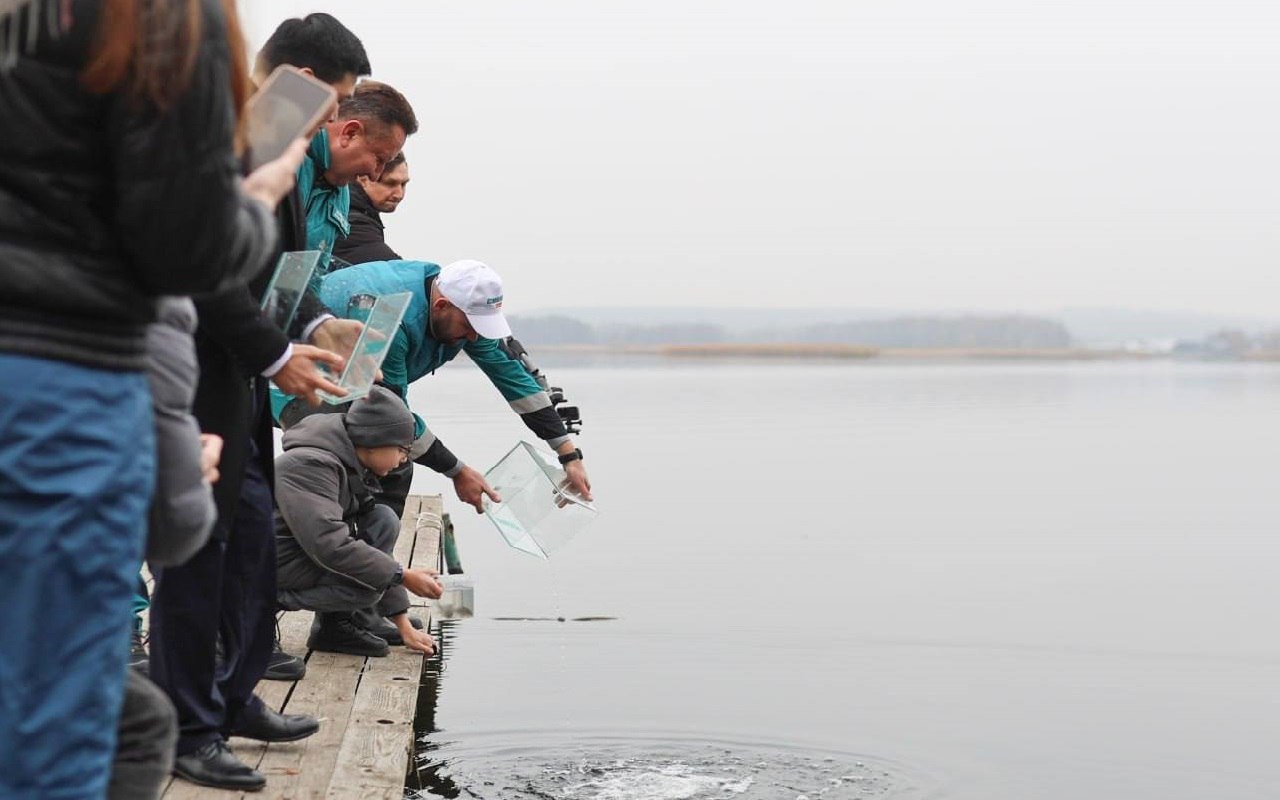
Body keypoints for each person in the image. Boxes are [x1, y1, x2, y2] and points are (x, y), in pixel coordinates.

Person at [0, 0, 301, 797]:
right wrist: (257, 201)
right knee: (58, 726)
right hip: (59, 386)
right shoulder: (158, 15)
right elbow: (184, 247)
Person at [147, 11, 375, 792]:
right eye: (333, 102)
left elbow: (272, 271)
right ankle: (186, 728)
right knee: (195, 559)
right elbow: (205, 270)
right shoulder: (215, 134)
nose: (331, 120)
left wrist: (313, 324)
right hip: (194, 380)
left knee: (248, 550)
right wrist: (277, 355)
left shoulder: (275, 148)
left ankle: (232, 695)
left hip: (239, 386)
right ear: (303, 82)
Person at [273, 259, 594, 515]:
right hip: (291, 377)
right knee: (368, 460)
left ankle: (373, 563)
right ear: (441, 306)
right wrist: (457, 471)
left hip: (354, 382)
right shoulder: (390, 317)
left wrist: (569, 455)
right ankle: (338, 558)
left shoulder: (461, 313)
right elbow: (389, 415)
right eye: (469, 326)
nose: (473, 337)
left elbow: (514, 380)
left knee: (393, 461)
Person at [274, 387, 441, 656]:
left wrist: (403, 625)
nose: (403, 459)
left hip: (288, 556)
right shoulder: (309, 465)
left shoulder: (348, 462)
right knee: (365, 587)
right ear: (375, 440)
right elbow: (330, 545)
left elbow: (372, 548)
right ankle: (257, 606)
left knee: (382, 519)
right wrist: (402, 576)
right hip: (252, 564)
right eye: (403, 449)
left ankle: (335, 628)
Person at [299, 80, 418, 257]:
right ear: (350, 133)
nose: (375, 175)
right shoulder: (282, 159)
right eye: (379, 159)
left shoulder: (341, 196)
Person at [334, 151, 409, 265]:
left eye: (403, 184)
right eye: (390, 183)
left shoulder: (357, 212)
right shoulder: (353, 221)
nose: (399, 194)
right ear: (363, 179)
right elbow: (392, 268)